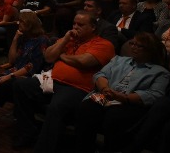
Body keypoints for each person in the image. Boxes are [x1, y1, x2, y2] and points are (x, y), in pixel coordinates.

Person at [11, 11, 115, 152]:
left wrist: (62, 56)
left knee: (57, 106)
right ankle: (28, 133)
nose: (76, 27)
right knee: (20, 85)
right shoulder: (68, 39)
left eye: (81, 24)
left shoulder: (103, 44)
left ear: (93, 27)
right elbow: (48, 57)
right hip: (51, 80)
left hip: (77, 87)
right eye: (74, 23)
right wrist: (65, 39)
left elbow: (84, 61)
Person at [73, 32, 170, 153]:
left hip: (129, 103)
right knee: (87, 108)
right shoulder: (119, 60)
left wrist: (123, 97)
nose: (133, 47)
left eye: (139, 46)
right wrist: (105, 89)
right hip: (107, 95)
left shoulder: (160, 72)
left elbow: (155, 95)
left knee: (114, 117)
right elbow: (100, 74)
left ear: (150, 50)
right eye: (132, 43)